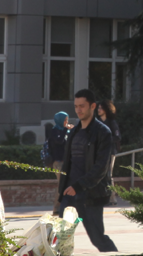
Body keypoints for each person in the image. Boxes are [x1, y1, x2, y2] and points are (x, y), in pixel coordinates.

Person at [54, 88, 117, 253]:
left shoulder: (103, 132)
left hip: (90, 194)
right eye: (76, 106)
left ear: (93, 106)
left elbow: (101, 168)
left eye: (82, 106)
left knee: (98, 238)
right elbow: (68, 163)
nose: (78, 110)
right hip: (69, 194)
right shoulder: (74, 132)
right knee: (60, 237)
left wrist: (79, 186)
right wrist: (62, 190)